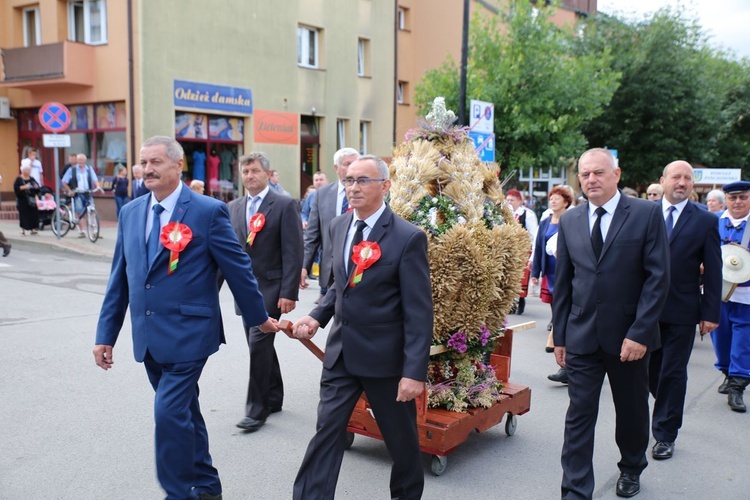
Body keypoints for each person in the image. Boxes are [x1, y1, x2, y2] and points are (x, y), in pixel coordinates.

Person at [94, 136, 278, 500]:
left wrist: (260, 318)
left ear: (178, 166)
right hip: (148, 336)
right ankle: (208, 487)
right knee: (185, 415)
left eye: (156, 162)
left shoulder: (208, 211)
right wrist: (106, 335)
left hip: (191, 334)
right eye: (143, 162)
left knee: (168, 415)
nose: (147, 169)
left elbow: (238, 269)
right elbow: (121, 279)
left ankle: (177, 493)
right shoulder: (131, 213)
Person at [291, 154, 433, 500]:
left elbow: (419, 310)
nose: (353, 187)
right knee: (326, 432)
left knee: (400, 441)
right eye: (349, 180)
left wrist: (413, 372)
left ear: (384, 186)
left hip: (385, 360)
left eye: (362, 181)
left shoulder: (407, 237)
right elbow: (341, 285)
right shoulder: (339, 226)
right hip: (341, 355)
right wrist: (317, 316)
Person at [553, 148, 669, 499]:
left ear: (616, 175)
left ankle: (632, 467)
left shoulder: (646, 214)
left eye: (598, 173)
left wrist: (640, 332)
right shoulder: (571, 220)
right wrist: (559, 335)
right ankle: (575, 489)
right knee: (578, 416)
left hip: (629, 341)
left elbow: (657, 278)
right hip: (583, 335)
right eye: (585, 174)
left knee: (632, 411)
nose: (591, 180)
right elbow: (564, 282)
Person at [649, 160, 721, 459]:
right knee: (651, 373)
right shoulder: (644, 214)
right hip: (645, 311)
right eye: (676, 177)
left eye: (687, 178)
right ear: (663, 180)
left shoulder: (704, 220)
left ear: (692, 185)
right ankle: (665, 403)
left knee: (674, 372)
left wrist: (710, 313)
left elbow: (714, 269)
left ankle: (665, 433)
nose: (682, 182)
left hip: (682, 309)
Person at [227, 152, 303, 432]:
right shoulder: (233, 207)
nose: (249, 176)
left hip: (271, 289)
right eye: (245, 171)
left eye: (255, 171)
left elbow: (294, 250)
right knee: (258, 345)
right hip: (245, 291)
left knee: (259, 346)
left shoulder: (284, 205)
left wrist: (289, 292)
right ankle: (274, 396)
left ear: (268, 174)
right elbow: (229, 253)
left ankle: (256, 410)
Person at [301, 147, 359, 304]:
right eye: (347, 164)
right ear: (336, 168)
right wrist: (304, 266)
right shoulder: (322, 194)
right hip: (331, 269)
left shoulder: (366, 192)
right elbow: (312, 234)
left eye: (355, 163)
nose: (352, 167)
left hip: (360, 267)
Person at [711, 180, 750, 412]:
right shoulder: (714, 221)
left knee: (743, 339)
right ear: (726, 199)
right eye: (733, 198)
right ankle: (727, 372)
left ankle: (738, 385)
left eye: (743, 197)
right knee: (721, 335)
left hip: (746, 294)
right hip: (718, 291)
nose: (737, 202)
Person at [531, 186, 573, 383]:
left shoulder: (571, 220)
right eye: (551, 198)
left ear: (566, 202)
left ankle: (568, 366)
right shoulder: (546, 221)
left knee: (564, 317)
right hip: (551, 274)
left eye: (558, 198)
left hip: (570, 276)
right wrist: (535, 273)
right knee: (558, 314)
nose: (553, 201)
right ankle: (567, 364)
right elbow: (539, 248)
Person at [506, 188, 538, 314]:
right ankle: (509, 303)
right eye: (508, 200)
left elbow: (534, 234)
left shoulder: (527, 214)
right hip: (509, 249)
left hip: (523, 250)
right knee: (508, 276)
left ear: (519, 201)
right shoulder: (504, 213)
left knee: (521, 277)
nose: (509, 202)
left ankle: (521, 300)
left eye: (512, 200)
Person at [62, 154, 100, 238]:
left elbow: (95, 179)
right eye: (79, 160)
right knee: (78, 212)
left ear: (85, 161)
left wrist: (98, 186)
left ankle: (95, 231)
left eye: (82, 160)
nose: (80, 162)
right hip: (78, 193)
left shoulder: (89, 169)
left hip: (88, 193)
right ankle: (81, 231)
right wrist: (69, 190)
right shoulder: (72, 170)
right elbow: (64, 181)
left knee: (92, 211)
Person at [14, 161, 40, 236]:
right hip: (23, 199)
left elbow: (37, 187)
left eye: (29, 170)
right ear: (23, 171)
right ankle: (23, 230)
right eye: (27, 170)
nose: (29, 172)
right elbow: (16, 189)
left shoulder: (32, 178)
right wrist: (24, 187)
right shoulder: (19, 179)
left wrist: (36, 187)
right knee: (23, 214)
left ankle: (33, 229)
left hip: (31, 199)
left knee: (33, 214)